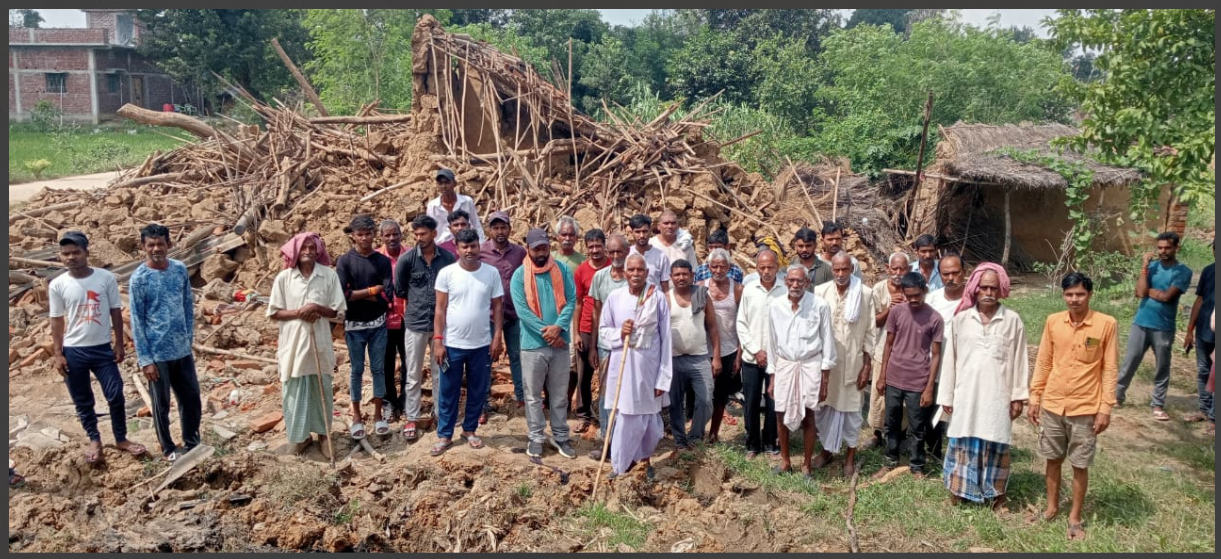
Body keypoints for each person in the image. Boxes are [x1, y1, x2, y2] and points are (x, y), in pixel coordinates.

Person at [1029, 273, 1117, 542]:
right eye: (1069, 294)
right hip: (1054, 404)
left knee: (1080, 464)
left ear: (1089, 295)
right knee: (1052, 459)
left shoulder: (1106, 324)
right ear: (1063, 295)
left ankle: (1075, 517)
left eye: (1079, 294)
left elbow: (1110, 368)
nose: (1074, 299)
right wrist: (1035, 396)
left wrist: (1105, 408)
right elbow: (1044, 360)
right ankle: (1052, 508)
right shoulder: (1053, 322)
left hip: (1085, 407)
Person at [50, 231, 148, 465]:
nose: (71, 257)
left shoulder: (105, 278)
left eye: (76, 252)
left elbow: (116, 310)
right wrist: (58, 354)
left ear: (86, 252)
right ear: (61, 257)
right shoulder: (58, 284)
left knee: (115, 395)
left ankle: (121, 438)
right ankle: (94, 439)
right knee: (83, 399)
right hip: (74, 351)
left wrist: (119, 342)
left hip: (102, 349)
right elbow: (56, 320)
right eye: (66, 254)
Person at [938, 264, 1028, 510]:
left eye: (993, 288)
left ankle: (996, 493)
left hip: (998, 395)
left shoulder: (1012, 321)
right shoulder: (962, 320)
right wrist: (947, 395)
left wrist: (1018, 396)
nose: (988, 292)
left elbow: (1020, 360)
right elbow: (950, 361)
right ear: (975, 289)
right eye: (984, 287)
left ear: (1001, 291)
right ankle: (959, 490)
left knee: (996, 439)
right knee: (963, 439)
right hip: (966, 394)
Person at [268, 232, 346, 458]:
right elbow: (274, 312)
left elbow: (338, 312)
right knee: (293, 391)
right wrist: (300, 312)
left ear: (318, 251)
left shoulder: (328, 276)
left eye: (312, 247)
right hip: (293, 345)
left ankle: (324, 435)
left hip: (319, 343)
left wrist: (317, 309)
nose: (308, 251)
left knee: (321, 387)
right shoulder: (284, 278)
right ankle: (300, 438)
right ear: (295, 251)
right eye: (304, 247)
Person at [129, 224, 200, 462]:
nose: (156, 249)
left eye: (161, 244)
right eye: (151, 244)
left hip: (181, 350)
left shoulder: (179, 270)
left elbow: (187, 306)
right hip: (157, 355)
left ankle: (192, 442)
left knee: (191, 399)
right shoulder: (139, 279)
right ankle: (168, 448)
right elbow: (137, 321)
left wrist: (188, 339)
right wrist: (145, 359)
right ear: (143, 247)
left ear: (169, 245)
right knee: (161, 405)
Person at [598, 254, 672, 480]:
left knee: (650, 421)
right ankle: (620, 465)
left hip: (648, 370)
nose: (636, 274)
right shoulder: (614, 297)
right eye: (631, 270)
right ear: (625, 273)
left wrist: (663, 378)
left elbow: (666, 338)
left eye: (640, 270)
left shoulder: (657, 299)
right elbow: (603, 331)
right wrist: (621, 333)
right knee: (625, 417)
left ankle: (644, 460)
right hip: (622, 369)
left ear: (647, 273)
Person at [432, 229, 504, 456]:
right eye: (464, 247)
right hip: (452, 344)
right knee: (448, 391)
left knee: (478, 390)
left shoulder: (491, 273)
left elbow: (498, 307)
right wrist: (438, 340)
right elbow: (440, 310)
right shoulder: (447, 273)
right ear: (456, 247)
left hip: (481, 344)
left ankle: (469, 429)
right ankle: (444, 435)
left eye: (473, 245)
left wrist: (497, 336)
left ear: (479, 245)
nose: (469, 250)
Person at [511, 229, 578, 459]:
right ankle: (536, 437)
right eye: (536, 249)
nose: (541, 253)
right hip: (532, 345)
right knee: (533, 396)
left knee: (559, 396)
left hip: (560, 342)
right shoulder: (519, 275)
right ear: (527, 248)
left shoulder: (563, 270)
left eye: (544, 248)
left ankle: (561, 436)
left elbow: (571, 301)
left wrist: (558, 328)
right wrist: (548, 332)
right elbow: (523, 311)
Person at [767, 264, 836, 478]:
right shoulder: (775, 306)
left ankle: (806, 465)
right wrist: (772, 376)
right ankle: (786, 461)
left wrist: (825, 379)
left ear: (807, 283)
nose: (795, 285)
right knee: (780, 413)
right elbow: (771, 342)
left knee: (808, 415)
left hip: (810, 365)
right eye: (791, 281)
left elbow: (828, 343)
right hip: (785, 365)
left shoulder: (819, 305)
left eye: (800, 281)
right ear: (786, 282)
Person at [1115, 232, 1193, 421]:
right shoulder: (1152, 267)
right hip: (1141, 322)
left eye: (1167, 248)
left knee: (1162, 366)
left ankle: (1158, 404)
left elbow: (1167, 297)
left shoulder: (1183, 271)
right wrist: (1144, 268)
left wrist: (1148, 291)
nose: (1163, 251)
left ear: (1176, 248)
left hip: (1163, 326)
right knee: (1130, 360)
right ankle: (1117, 396)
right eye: (1160, 248)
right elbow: (1140, 293)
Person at [392, 215, 456, 441]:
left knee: (440, 371)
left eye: (424, 234)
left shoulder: (447, 259)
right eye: (416, 235)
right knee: (412, 373)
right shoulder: (407, 260)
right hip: (416, 323)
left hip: (441, 325)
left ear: (434, 234)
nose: (419, 238)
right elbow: (399, 290)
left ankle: (440, 413)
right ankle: (412, 417)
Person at [875, 272, 943, 479]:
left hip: (918, 380)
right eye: (909, 295)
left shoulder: (934, 318)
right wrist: (882, 376)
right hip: (894, 377)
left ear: (924, 291)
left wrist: (929, 387)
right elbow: (888, 344)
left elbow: (936, 355)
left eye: (917, 295)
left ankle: (917, 466)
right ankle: (890, 460)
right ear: (903, 293)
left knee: (917, 426)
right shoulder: (896, 313)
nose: (913, 300)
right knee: (892, 422)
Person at [813, 254, 875, 478]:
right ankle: (827, 451)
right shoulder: (820, 292)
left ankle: (850, 456)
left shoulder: (865, 294)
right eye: (836, 270)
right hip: (828, 364)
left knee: (851, 412)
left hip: (852, 364)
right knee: (825, 408)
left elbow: (870, 332)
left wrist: (867, 366)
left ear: (852, 270)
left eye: (844, 270)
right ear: (832, 270)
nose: (840, 274)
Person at [336, 215, 395, 439]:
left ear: (374, 234)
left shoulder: (381, 261)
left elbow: (387, 296)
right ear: (353, 235)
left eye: (368, 234)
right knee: (357, 371)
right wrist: (372, 291)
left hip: (378, 325)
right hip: (353, 326)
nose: (364, 238)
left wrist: (359, 295)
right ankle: (357, 417)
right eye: (359, 234)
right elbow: (343, 295)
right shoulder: (345, 261)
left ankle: (378, 415)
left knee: (378, 370)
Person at [736, 250, 784, 458]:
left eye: (770, 267)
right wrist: (756, 350)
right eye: (762, 267)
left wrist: (773, 352)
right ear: (756, 269)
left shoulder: (784, 290)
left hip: (777, 357)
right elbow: (741, 323)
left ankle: (771, 441)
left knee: (774, 400)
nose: (766, 271)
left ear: (777, 268)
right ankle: (753, 444)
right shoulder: (749, 291)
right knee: (752, 401)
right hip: (752, 357)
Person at [667, 259, 720, 450]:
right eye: (677, 274)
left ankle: (696, 436)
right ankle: (680, 440)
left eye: (685, 274)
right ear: (671, 277)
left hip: (699, 358)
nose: (681, 278)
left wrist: (716, 356)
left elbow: (713, 327)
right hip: (673, 359)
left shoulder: (702, 296)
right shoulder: (666, 298)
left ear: (692, 276)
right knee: (674, 403)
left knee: (706, 400)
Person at [862, 252, 911, 450]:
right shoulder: (879, 289)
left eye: (902, 269)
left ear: (908, 270)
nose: (898, 273)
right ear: (888, 268)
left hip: (906, 352)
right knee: (878, 392)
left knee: (904, 395)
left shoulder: (913, 288)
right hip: (882, 348)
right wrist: (891, 309)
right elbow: (873, 322)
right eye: (895, 268)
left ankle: (900, 433)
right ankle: (876, 433)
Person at [480, 211, 527, 417]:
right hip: (488, 315)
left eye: (503, 227)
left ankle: (522, 398)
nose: (500, 231)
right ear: (489, 230)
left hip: (515, 314)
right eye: (496, 228)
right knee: (485, 358)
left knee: (518, 356)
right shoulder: (481, 252)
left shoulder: (520, 253)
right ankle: (482, 402)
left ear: (510, 229)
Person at [922, 255, 967, 461]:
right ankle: (935, 452)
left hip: (965, 365)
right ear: (939, 275)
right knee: (935, 409)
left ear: (964, 273)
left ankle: (961, 453)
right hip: (937, 364)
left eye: (955, 273)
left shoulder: (972, 301)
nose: (951, 278)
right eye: (946, 274)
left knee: (962, 409)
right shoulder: (932, 299)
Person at [590, 234, 631, 449]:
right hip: (606, 345)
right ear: (607, 253)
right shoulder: (600, 277)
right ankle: (607, 437)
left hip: (629, 346)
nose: (616, 256)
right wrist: (594, 346)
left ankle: (624, 438)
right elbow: (597, 313)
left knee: (627, 391)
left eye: (619, 251)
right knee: (606, 392)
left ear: (627, 252)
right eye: (612, 252)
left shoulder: (633, 278)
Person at [704, 248, 745, 445]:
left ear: (729, 267)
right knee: (703, 395)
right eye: (715, 266)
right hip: (703, 350)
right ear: (709, 267)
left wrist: (739, 355)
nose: (718, 270)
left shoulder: (737, 289)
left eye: (723, 266)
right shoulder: (700, 288)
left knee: (720, 395)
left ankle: (714, 433)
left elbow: (743, 323)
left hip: (728, 349)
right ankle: (698, 430)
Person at [572, 229, 609, 434]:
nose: (595, 250)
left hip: (609, 328)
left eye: (598, 245)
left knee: (607, 375)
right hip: (586, 328)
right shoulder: (581, 271)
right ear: (586, 248)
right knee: (584, 375)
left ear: (604, 246)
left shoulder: (614, 268)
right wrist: (576, 332)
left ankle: (606, 414)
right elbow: (578, 303)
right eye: (591, 246)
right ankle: (583, 414)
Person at [552, 216, 585, 421]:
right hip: (550, 315)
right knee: (550, 358)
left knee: (571, 361)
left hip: (572, 316)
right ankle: (550, 401)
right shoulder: (550, 258)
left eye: (571, 234)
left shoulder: (581, 261)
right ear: (557, 237)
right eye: (563, 234)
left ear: (576, 237)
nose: (567, 238)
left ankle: (566, 399)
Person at [377, 220, 407, 422]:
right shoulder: (375, 258)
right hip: (384, 319)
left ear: (401, 234)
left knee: (409, 362)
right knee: (385, 364)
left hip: (408, 318)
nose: (392, 238)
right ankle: (389, 403)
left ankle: (406, 401)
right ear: (382, 238)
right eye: (387, 235)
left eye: (395, 234)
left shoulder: (411, 255)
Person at [1184, 244, 1214, 435]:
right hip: (1204, 330)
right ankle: (1204, 410)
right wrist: (1189, 330)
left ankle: (1214, 418)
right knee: (1203, 371)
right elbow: (1200, 300)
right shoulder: (1209, 271)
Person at [427, 168, 485, 245]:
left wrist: (481, 245)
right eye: (440, 183)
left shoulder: (466, 201)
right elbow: (430, 230)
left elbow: (476, 225)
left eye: (447, 182)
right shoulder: (433, 206)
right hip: (442, 246)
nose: (444, 186)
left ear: (454, 183)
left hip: (466, 244)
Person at [627, 214, 671, 292]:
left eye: (645, 231)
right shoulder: (627, 254)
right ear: (632, 232)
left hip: (655, 301)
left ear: (650, 231)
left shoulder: (661, 256)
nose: (642, 235)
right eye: (637, 232)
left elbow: (665, 287)